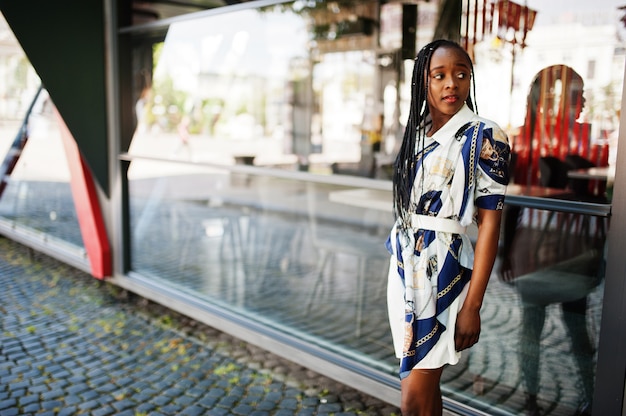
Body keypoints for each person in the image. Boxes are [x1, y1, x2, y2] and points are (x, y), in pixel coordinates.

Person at [386, 39, 510, 415]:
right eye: (439, 76)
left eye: (461, 74)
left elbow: (490, 225)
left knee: (413, 399)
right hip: (404, 267)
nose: (451, 84)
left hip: (445, 270)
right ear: (423, 82)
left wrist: (473, 304)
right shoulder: (417, 133)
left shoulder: (485, 136)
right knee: (418, 387)